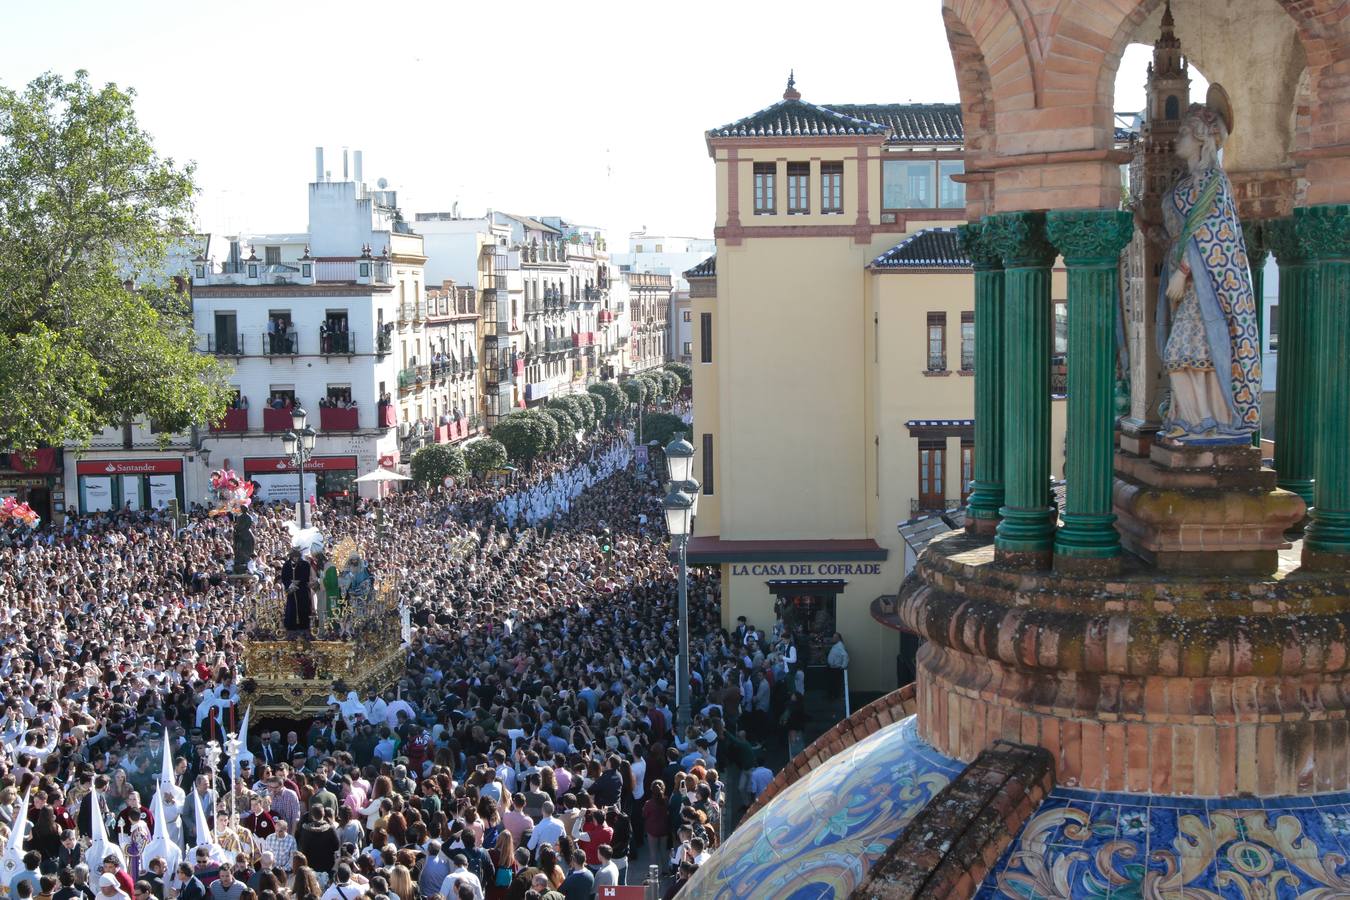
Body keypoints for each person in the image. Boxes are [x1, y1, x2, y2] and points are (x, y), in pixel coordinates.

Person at [1150, 84, 1260, 441]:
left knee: (1187, 353)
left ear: (1200, 139)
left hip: (1209, 286)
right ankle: (1192, 420)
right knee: (1185, 354)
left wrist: (1183, 274)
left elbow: (1213, 235)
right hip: (1192, 287)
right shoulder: (1187, 185)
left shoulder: (1213, 183)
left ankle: (1208, 421)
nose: (1178, 139)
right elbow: (1180, 237)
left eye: (1184, 132)